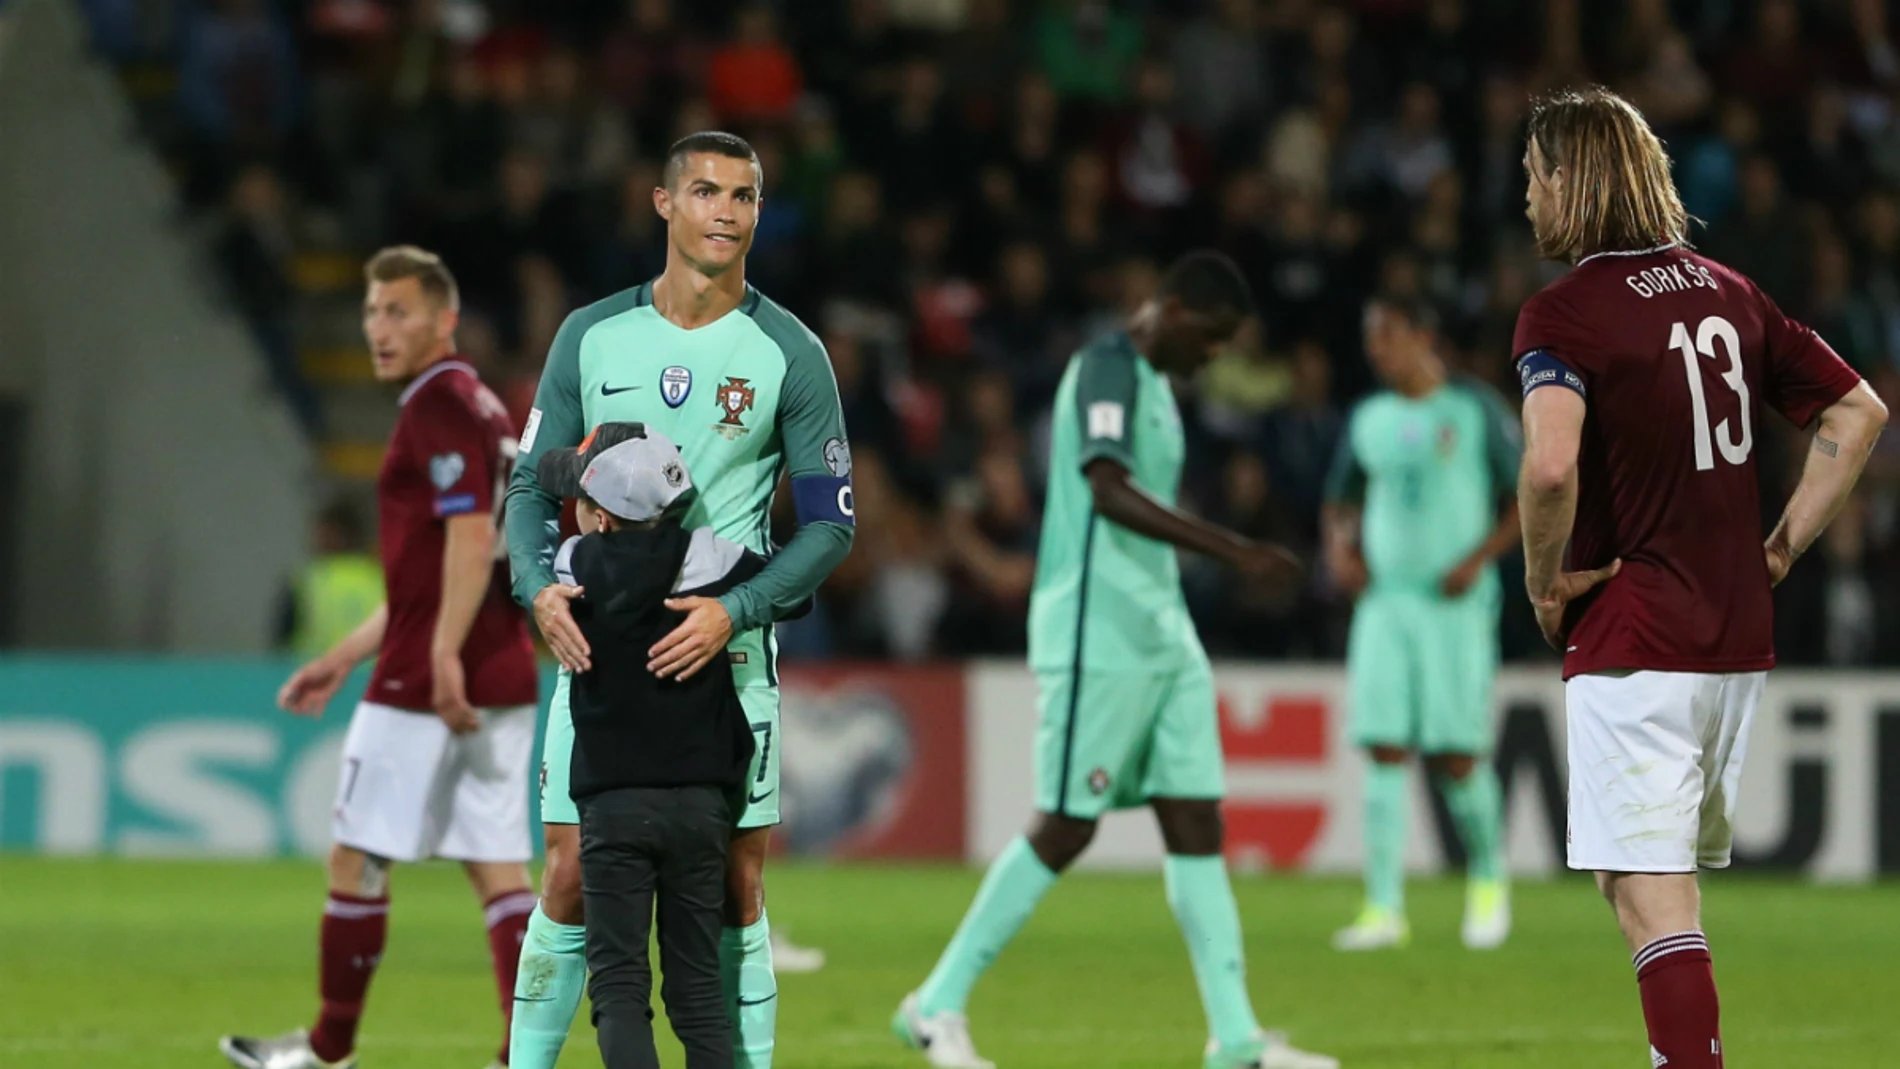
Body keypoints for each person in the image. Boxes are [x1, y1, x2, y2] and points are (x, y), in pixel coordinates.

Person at [1514, 88, 1887, 1069]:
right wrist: (1782, 546)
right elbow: (1857, 413)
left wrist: (1543, 581)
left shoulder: (1564, 312)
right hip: (1732, 638)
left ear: (1571, 179)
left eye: (1534, 175)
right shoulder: (1729, 290)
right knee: (1643, 884)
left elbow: (1549, 467)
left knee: (1651, 896)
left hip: (1637, 634)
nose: (1526, 197)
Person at [892, 251, 1338, 1069]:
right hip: (1097, 630)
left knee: (1196, 819)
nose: (1214, 356)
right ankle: (935, 1001)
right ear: (1175, 310)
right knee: (1067, 823)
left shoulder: (1159, 388)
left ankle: (1236, 1039)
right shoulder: (1107, 367)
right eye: (1211, 338)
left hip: (1162, 630)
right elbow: (1105, 486)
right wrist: (1234, 549)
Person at [504, 131, 855, 1069]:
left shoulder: (790, 352)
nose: (725, 213)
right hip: (599, 653)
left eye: (743, 196)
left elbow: (831, 525)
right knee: (569, 869)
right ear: (664, 203)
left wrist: (734, 610)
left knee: (738, 881)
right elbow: (530, 487)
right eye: (705, 192)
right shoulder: (591, 335)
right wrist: (539, 590)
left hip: (726, 653)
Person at [221, 247, 540, 1069]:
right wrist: (340, 657)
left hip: (428, 679)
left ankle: (328, 1049)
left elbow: (469, 537)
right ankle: (522, 1056)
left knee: (358, 856)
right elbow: (430, 571)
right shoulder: (483, 405)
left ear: (445, 319)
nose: (378, 328)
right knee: (497, 867)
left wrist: (440, 655)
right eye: (371, 311)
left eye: (398, 311)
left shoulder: (437, 405)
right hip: (502, 666)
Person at [536, 422, 808, 1069]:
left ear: (602, 517)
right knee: (697, 993)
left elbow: (540, 576)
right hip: (700, 805)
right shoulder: (708, 557)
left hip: (612, 805)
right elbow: (793, 592)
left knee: (620, 990)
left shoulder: (574, 564)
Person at [1323, 296, 1520, 952]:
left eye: (1386, 334)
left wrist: (1478, 558)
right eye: (1370, 337)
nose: (1375, 349)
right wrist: (1340, 552)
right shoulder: (1369, 418)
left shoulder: (1472, 409)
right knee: (1383, 745)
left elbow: (1527, 495)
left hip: (1453, 605)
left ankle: (1488, 879)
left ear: (1422, 334)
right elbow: (1340, 499)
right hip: (1385, 602)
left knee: (1455, 753)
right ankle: (1383, 907)